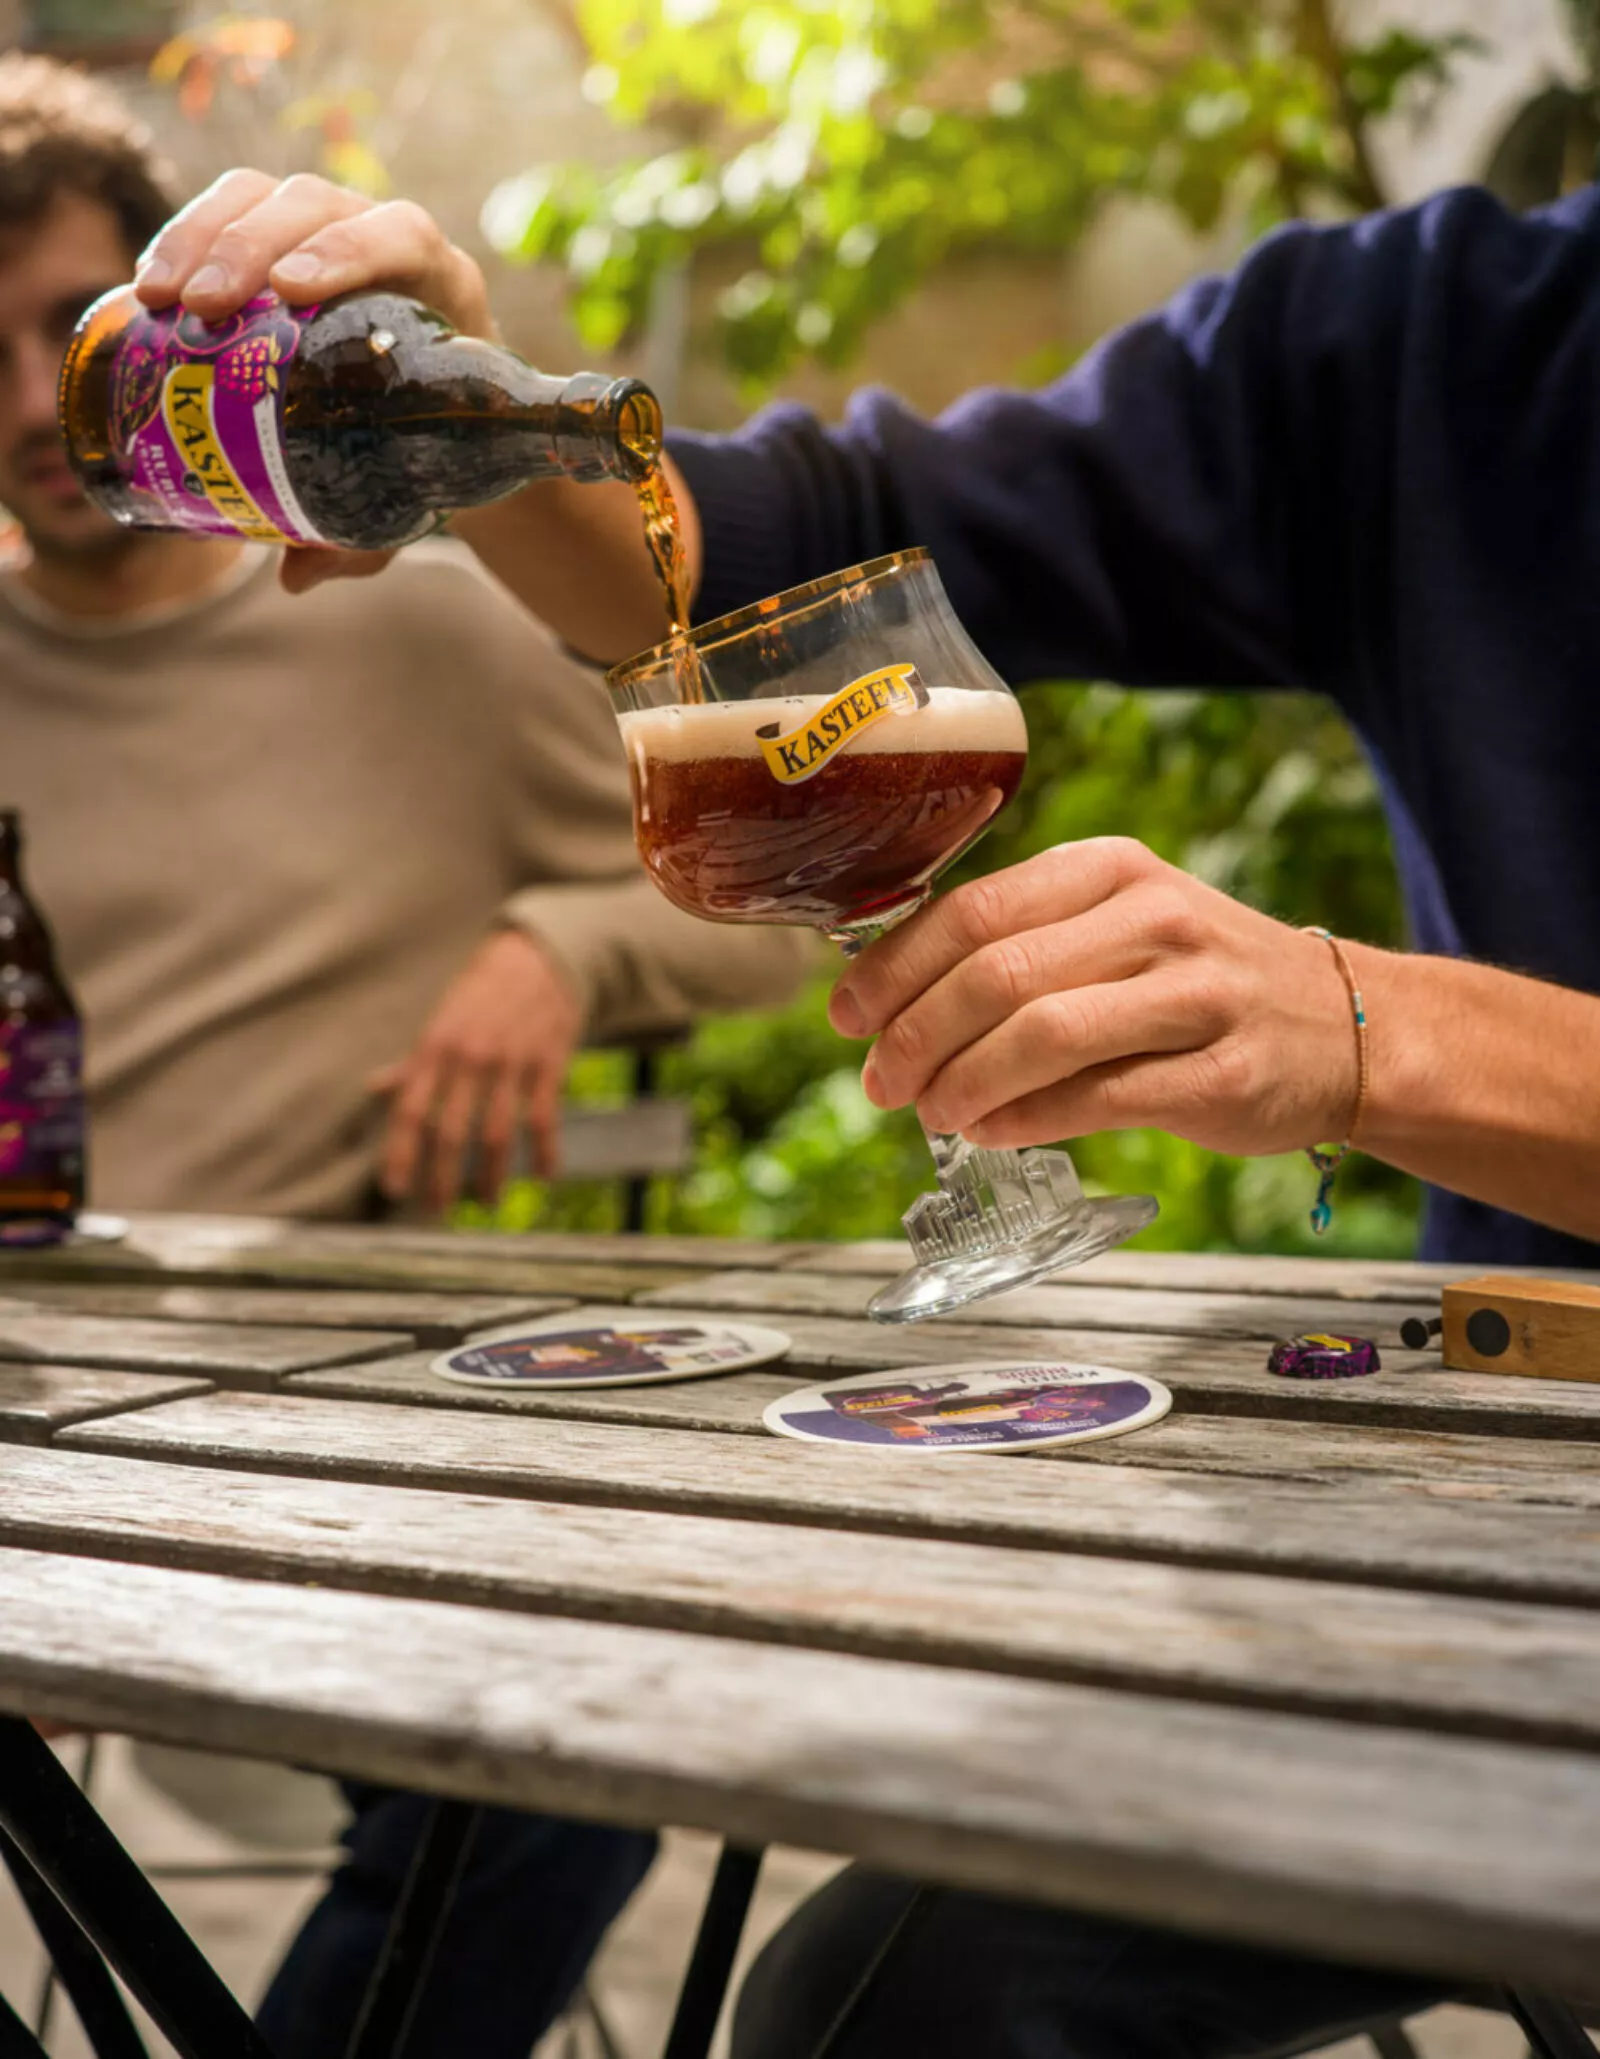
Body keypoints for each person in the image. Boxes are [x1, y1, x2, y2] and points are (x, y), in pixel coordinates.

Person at [135, 158, 1600, 2058]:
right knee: (889, 2001)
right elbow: (806, 543)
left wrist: (1374, 1029)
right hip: (1518, 1503)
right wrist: (467, 399)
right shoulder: (1447, 343)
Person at [0, 58, 811, 2059]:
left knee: (561, 1767)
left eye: (63, 332)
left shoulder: (415, 633)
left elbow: (776, 915)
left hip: (302, 1433)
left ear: (172, 331)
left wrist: (557, 945)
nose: (32, 408)